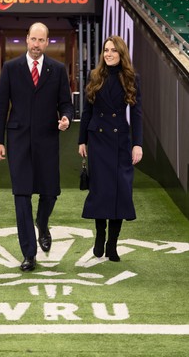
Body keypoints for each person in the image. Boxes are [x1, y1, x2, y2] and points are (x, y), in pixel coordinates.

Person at [0, 22, 74, 272]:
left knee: (50, 192)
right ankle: (29, 253)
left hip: (48, 140)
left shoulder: (58, 70)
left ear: (47, 42)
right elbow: (0, 107)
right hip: (17, 142)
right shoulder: (11, 68)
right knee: (22, 195)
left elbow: (66, 103)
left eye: (41, 40)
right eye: (33, 39)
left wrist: (66, 118)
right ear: (27, 39)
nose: (36, 44)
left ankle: (43, 221)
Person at [78, 35, 143, 262]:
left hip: (120, 142)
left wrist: (137, 144)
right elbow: (87, 111)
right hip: (97, 140)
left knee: (120, 193)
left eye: (113, 50)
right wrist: (81, 140)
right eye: (106, 50)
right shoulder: (95, 76)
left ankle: (112, 244)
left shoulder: (131, 78)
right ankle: (100, 237)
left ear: (121, 53)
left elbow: (136, 113)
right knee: (101, 192)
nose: (109, 54)